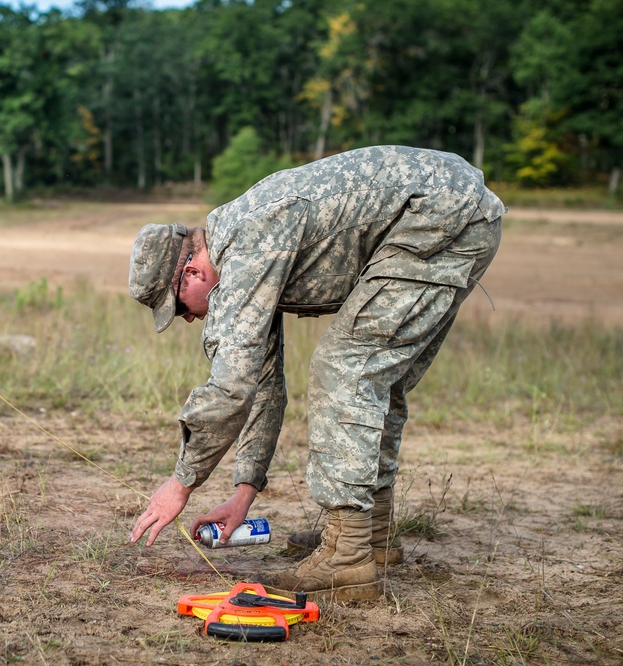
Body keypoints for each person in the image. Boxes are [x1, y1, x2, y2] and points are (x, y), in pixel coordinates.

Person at [127, 145, 504, 602]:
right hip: (454, 210)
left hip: (441, 214)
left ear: (190, 273)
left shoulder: (247, 245)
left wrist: (180, 484)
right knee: (372, 373)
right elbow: (261, 384)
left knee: (345, 365)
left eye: (180, 306)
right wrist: (243, 493)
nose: (188, 319)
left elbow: (229, 389)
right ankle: (372, 537)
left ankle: (348, 556)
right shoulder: (242, 258)